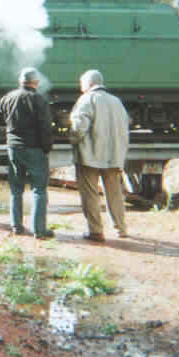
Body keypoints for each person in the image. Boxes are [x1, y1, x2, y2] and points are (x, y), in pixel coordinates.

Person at [69, 69, 130, 242]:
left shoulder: (86, 100)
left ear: (89, 84)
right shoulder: (117, 101)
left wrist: (73, 140)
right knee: (115, 193)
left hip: (90, 156)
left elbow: (79, 127)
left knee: (90, 194)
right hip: (113, 156)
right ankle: (121, 229)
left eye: (82, 85)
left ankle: (95, 231)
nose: (81, 88)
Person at [0, 67, 54, 239]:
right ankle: (39, 230)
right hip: (35, 149)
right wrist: (46, 147)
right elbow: (45, 127)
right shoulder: (39, 99)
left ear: (21, 81)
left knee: (16, 188)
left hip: (14, 148)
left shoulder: (8, 97)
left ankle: (16, 226)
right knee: (39, 189)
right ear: (36, 82)